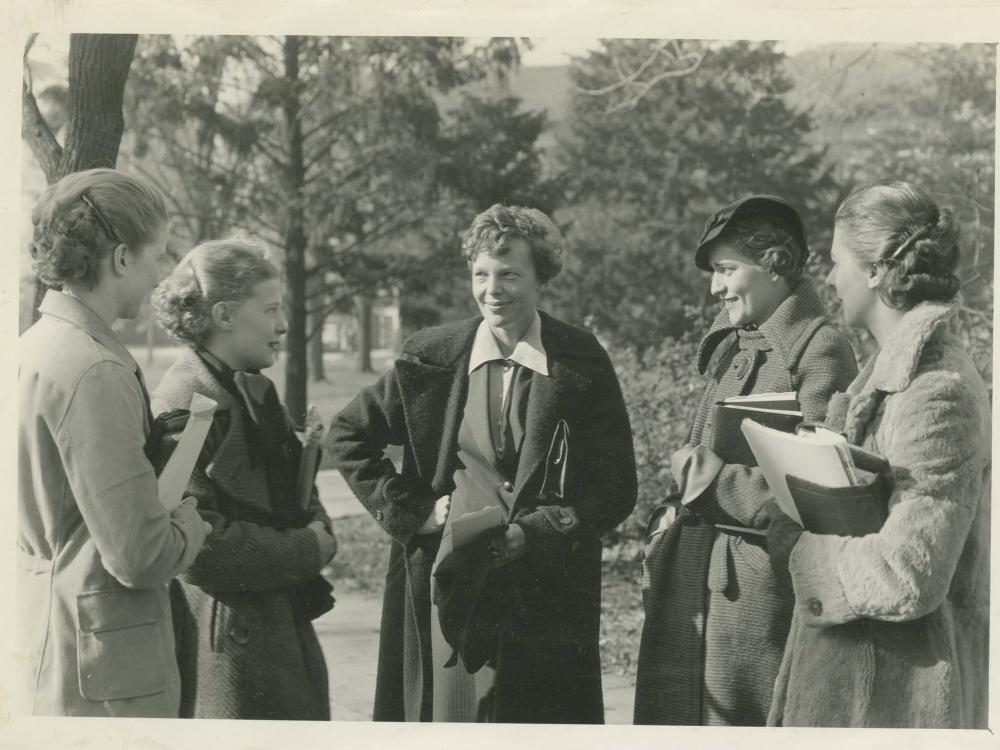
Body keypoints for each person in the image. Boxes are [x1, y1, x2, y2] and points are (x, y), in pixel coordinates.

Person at [328, 204, 638, 723]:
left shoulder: (580, 359)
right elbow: (348, 434)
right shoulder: (432, 355)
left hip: (548, 590)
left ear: (542, 277)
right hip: (448, 583)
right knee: (452, 719)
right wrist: (410, 513)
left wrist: (538, 531)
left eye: (510, 274)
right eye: (481, 274)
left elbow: (616, 486)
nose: (493, 289)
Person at [766, 181, 990, 728]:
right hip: (859, 683)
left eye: (838, 260)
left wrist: (802, 548)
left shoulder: (937, 390)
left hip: (894, 698)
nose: (829, 278)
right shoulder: (890, 376)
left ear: (874, 271)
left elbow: (905, 574)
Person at [634, 194, 858, 725]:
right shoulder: (735, 346)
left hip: (754, 605)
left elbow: (819, 490)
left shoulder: (820, 349)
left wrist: (710, 480)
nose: (715, 286)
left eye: (726, 269)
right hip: (691, 584)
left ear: (776, 265)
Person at [18, 168, 211, 717]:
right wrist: (192, 519)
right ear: (121, 258)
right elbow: (141, 557)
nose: (161, 273)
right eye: (157, 255)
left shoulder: (36, 346)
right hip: (99, 677)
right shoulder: (93, 369)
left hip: (45, 645)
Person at [151, 238, 337, 720]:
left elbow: (284, 497)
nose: (283, 325)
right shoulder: (186, 401)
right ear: (224, 315)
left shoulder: (251, 387)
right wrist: (309, 547)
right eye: (271, 309)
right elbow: (198, 548)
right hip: (228, 643)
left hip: (271, 622)